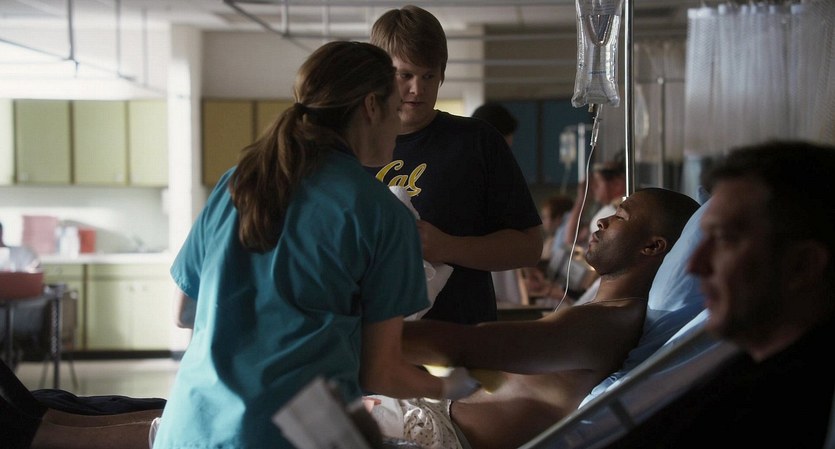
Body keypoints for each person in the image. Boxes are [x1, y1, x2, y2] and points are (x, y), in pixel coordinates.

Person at [153, 41, 479, 449]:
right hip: (285, 436)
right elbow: (381, 373)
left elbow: (185, 311)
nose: (398, 127)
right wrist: (451, 385)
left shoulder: (237, 184)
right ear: (371, 107)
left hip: (188, 429)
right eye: (395, 109)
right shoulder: (381, 213)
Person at [369, 187, 701, 449]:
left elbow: (465, 346)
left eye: (620, 217)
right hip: (431, 414)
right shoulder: (600, 315)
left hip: (438, 435)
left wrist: (357, 336)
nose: (602, 222)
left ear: (651, 247)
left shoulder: (608, 324)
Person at [604, 140, 835, 448]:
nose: (696, 265)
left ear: (802, 265)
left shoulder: (785, 410)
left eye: (725, 239)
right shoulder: (739, 374)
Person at [367, 5, 543, 324]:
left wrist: (447, 247)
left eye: (429, 76)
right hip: (366, 337)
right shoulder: (351, 146)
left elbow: (529, 247)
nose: (417, 89)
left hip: (462, 335)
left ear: (442, 74)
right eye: (405, 75)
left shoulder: (476, 141)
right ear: (379, 75)